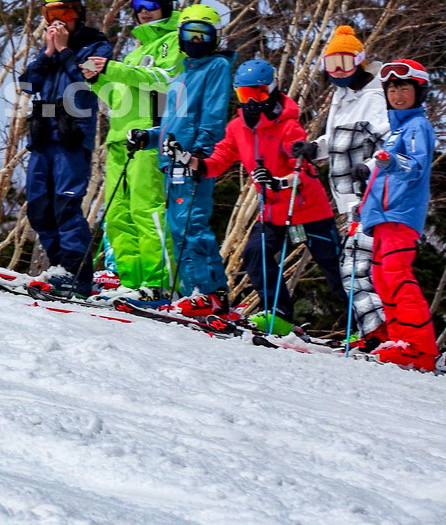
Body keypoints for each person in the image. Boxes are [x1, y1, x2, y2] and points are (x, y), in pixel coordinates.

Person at [187, 59, 346, 334]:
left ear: (271, 91)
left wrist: (277, 180)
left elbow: (303, 173)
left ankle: (367, 325)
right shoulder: (238, 127)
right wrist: (195, 163)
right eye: (243, 95)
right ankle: (279, 314)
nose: (250, 102)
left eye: (257, 94)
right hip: (272, 212)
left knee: (333, 266)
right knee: (254, 253)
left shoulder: (288, 126)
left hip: (308, 211)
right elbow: (221, 157)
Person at [81, 0, 183, 302]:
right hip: (120, 139)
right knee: (117, 215)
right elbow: (118, 98)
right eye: (137, 6)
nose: (143, 12)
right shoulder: (137, 51)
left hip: (150, 136)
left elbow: (163, 81)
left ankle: (159, 282)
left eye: (150, 5)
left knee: (147, 210)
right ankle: (131, 280)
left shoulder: (175, 41)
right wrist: (97, 80)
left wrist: (113, 69)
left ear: (167, 5)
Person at [128, 4, 232, 315]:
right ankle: (197, 291)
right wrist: (150, 136)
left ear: (214, 37)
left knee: (191, 224)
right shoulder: (182, 73)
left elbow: (212, 117)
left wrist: (198, 152)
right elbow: (176, 123)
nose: (196, 40)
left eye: (203, 34)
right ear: (181, 36)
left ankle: (206, 292)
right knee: (178, 226)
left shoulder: (216, 67)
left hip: (191, 160)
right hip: (172, 159)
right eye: (190, 34)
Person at [291, 25, 389, 345]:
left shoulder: (375, 95)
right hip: (350, 204)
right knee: (357, 270)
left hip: (372, 198)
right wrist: (314, 149)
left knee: (356, 270)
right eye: (330, 65)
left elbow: (390, 144)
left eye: (344, 63)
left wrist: (371, 167)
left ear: (359, 61)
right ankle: (374, 331)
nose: (337, 72)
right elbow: (336, 142)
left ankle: (381, 333)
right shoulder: (340, 96)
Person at [20, 0, 112, 297]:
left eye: (65, 14)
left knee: (65, 203)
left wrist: (64, 52)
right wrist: (47, 53)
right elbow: (26, 84)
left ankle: (77, 271)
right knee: (39, 208)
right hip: (43, 135)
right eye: (51, 15)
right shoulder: (47, 49)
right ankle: (60, 267)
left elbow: (87, 79)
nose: (58, 22)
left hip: (71, 135)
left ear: (79, 14)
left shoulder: (95, 45)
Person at [358, 60, 438, 371]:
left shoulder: (418, 126)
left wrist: (391, 163)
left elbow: (416, 166)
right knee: (381, 276)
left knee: (395, 273)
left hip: (401, 214)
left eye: (404, 87)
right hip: (382, 215)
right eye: (392, 88)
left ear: (418, 92)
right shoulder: (398, 130)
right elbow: (381, 176)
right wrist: (363, 210)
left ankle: (421, 347)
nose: (397, 93)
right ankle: (400, 339)